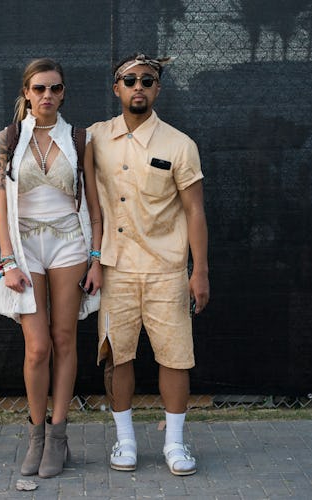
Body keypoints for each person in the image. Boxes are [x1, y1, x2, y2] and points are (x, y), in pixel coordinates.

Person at [87, 53, 210, 476]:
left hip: (166, 268)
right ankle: (126, 440)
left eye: (147, 80)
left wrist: (200, 270)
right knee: (117, 357)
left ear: (158, 89)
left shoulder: (179, 144)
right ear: (116, 88)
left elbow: (195, 211)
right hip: (115, 268)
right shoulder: (94, 138)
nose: (138, 86)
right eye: (130, 80)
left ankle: (175, 444)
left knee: (174, 357)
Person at [0, 58, 102, 478]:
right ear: (26, 92)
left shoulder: (79, 138)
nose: (47, 96)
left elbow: (94, 204)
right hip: (24, 247)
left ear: (63, 93)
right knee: (37, 347)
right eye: (39, 89)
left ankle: (58, 436)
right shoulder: (8, 138)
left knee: (64, 338)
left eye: (55, 89)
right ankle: (36, 434)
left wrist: (96, 259)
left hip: (69, 243)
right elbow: (0, 202)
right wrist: (7, 260)